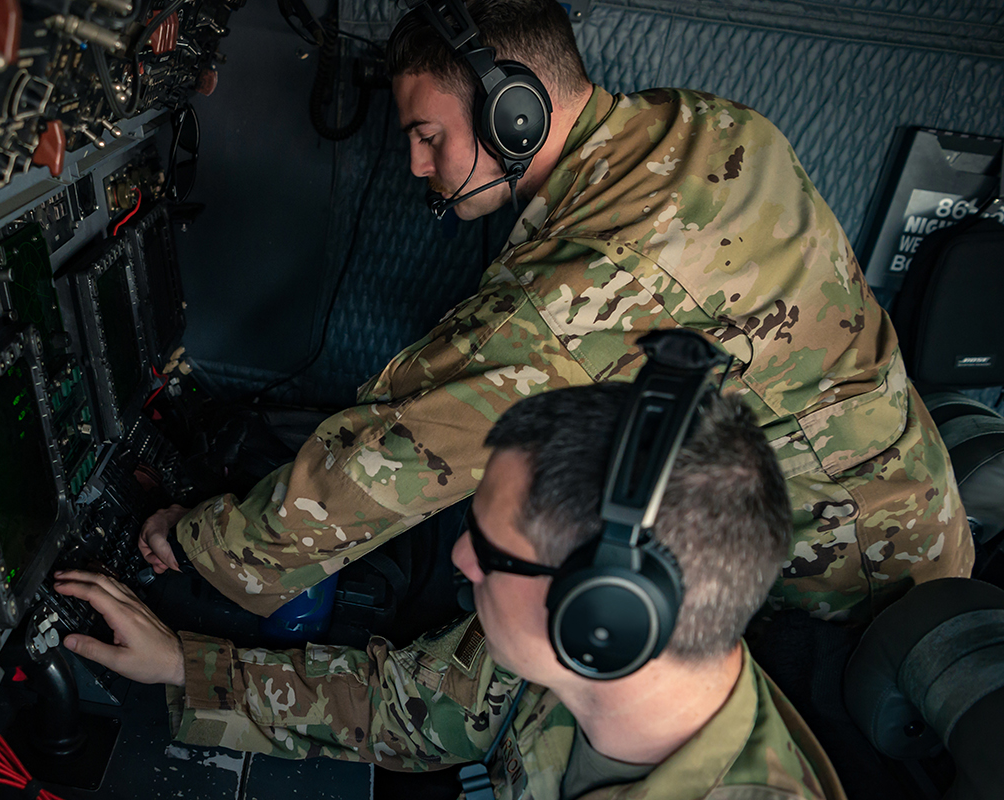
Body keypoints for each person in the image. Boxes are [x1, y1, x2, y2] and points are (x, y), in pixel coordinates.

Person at [139, 0, 971, 624]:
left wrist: (202, 547)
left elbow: (401, 452)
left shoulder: (594, 279)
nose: (418, 165)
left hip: (850, 590)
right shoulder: (705, 122)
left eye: (428, 135)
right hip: (918, 515)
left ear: (515, 112)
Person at [62, 382, 845, 798]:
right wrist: (181, 667)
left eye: (495, 551)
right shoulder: (600, 663)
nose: (463, 558)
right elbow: (416, 707)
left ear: (602, 614)